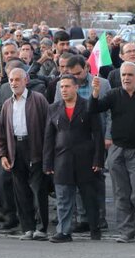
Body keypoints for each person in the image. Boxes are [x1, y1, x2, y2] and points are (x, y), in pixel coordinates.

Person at [89, 62, 135, 243]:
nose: (126, 78)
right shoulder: (113, 94)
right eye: (123, 75)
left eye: (129, 75)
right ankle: (127, 231)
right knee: (121, 193)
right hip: (118, 150)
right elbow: (94, 109)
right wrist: (95, 94)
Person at [44, 74, 104, 243]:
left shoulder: (88, 106)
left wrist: (98, 160)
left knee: (89, 198)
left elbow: (98, 134)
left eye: (67, 86)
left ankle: (95, 228)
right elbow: (49, 137)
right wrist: (47, 162)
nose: (64, 90)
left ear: (76, 87)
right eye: (61, 87)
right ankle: (64, 231)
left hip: (85, 159)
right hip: (62, 159)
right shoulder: (53, 108)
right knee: (63, 198)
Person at [0, 68, 50, 241]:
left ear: (26, 80)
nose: (14, 83)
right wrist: (2, 154)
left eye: (17, 79)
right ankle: (28, 228)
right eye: (11, 80)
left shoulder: (38, 99)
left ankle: (41, 228)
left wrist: (47, 153)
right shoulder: (7, 104)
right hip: (15, 149)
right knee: (20, 191)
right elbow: (2, 132)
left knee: (38, 190)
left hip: (35, 148)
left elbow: (48, 128)